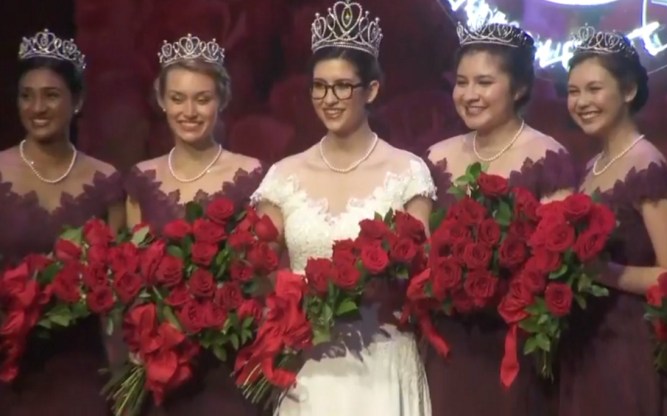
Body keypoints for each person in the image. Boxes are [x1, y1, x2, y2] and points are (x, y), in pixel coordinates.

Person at [250, 1, 434, 414]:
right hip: (309, 370)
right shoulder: (283, 176)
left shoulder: (407, 171)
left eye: (342, 86)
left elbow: (422, 276)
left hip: (382, 364)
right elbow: (256, 272)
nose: (328, 99)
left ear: (371, 90)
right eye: (319, 85)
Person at [423, 21, 576, 416]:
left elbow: (559, 263)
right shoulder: (436, 156)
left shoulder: (547, 156)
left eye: (484, 82)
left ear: (519, 88)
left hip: (515, 342)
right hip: (448, 342)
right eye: (461, 82)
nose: (469, 95)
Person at [124, 33, 265, 415]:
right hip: (164, 372)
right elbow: (134, 279)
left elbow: (263, 269)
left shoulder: (249, 173)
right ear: (161, 101)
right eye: (178, 98)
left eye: (202, 99)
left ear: (221, 102)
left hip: (227, 365)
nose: (189, 111)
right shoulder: (141, 177)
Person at [558, 26, 667, 416]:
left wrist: (598, 271)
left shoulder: (647, 165)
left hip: (630, 345)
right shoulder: (593, 166)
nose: (581, 102)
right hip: (588, 339)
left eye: (594, 89)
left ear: (628, 91)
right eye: (573, 92)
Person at [0, 29, 125, 415]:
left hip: (81, 369)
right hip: (10, 366)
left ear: (78, 100)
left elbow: (118, 294)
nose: (37, 107)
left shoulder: (106, 181)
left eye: (51, 95)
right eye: (27, 95)